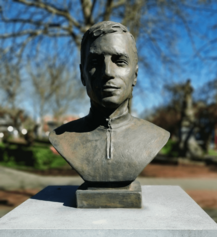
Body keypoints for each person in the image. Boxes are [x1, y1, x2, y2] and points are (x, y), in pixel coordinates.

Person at [49, 21, 169, 185]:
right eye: (95, 63)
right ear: (82, 75)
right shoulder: (62, 137)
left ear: (135, 75)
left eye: (120, 61)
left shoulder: (156, 136)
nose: (107, 72)